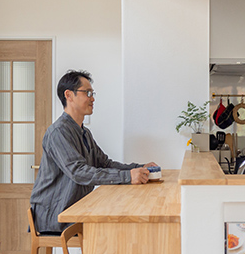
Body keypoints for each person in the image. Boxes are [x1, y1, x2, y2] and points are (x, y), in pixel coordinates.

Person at [30, 70, 156, 233]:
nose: (92, 98)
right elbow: (79, 172)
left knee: (119, 219)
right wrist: (128, 176)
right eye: (87, 93)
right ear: (69, 95)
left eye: (92, 93)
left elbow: (105, 164)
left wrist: (139, 168)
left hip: (75, 209)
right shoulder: (58, 132)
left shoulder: (84, 133)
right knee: (114, 226)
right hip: (55, 215)